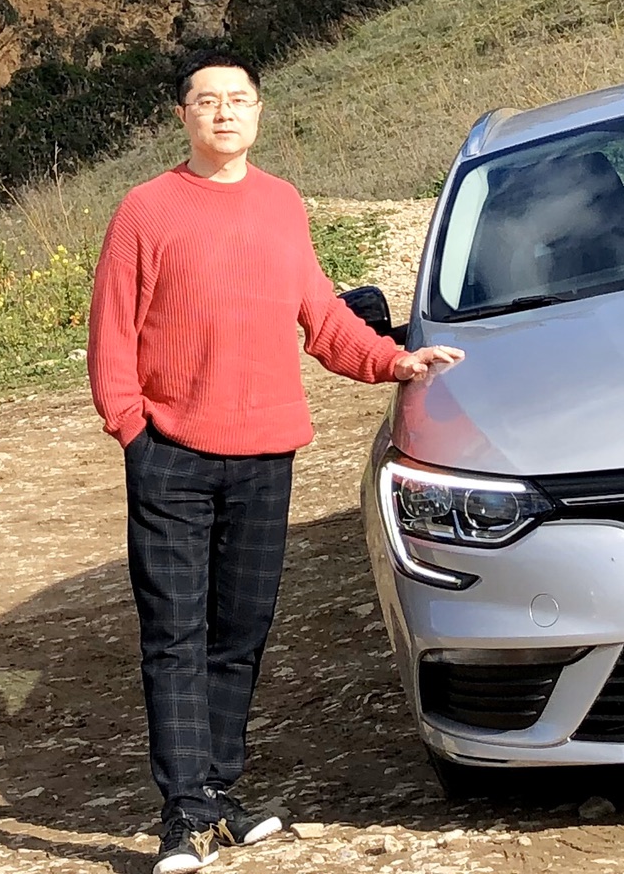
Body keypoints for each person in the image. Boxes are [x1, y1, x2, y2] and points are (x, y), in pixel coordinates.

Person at [87, 49, 466, 873]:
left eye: (239, 100)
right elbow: (112, 335)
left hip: (264, 457)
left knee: (242, 631)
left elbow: (322, 319)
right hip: (171, 459)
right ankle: (184, 812)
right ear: (182, 116)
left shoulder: (283, 207)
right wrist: (132, 430)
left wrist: (392, 361)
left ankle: (219, 792)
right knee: (174, 634)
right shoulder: (145, 211)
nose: (224, 112)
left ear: (259, 113)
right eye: (206, 101)